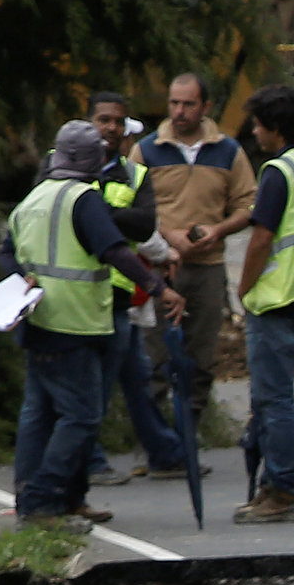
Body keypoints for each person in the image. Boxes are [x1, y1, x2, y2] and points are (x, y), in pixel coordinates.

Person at [0, 121, 184, 528]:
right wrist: (156, 286)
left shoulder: (35, 198)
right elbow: (115, 250)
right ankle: (44, 502)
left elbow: (6, 251)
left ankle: (43, 496)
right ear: (95, 159)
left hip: (37, 320)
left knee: (40, 413)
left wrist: (19, 280)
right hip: (75, 323)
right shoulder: (84, 200)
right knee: (81, 416)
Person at [228, 83, 294, 525]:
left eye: (257, 124)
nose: (254, 133)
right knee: (272, 398)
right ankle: (272, 484)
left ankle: (285, 490)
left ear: (274, 128)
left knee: (273, 401)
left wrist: (244, 288)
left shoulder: (278, 171)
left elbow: (261, 238)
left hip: (277, 297)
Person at [141, 73, 257, 465]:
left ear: (206, 107)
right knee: (154, 357)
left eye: (188, 104)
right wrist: (167, 234)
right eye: (174, 103)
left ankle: (187, 439)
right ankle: (158, 448)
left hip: (207, 267)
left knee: (200, 360)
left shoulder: (227, 151)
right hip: (158, 268)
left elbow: (248, 205)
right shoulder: (147, 151)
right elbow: (128, 207)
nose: (179, 112)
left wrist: (219, 229)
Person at [82, 92, 180, 495]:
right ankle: (88, 460)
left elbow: (143, 224)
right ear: (88, 122)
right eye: (103, 120)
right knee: (98, 386)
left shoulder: (134, 174)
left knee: (138, 377)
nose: (111, 128)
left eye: (118, 122)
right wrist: (109, 216)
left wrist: (99, 212)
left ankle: (164, 453)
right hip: (84, 297)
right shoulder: (63, 164)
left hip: (122, 297)